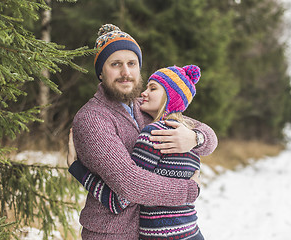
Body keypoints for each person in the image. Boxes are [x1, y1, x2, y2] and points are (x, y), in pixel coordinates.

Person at [70, 23, 218, 239]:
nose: (125, 72)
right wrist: (189, 191)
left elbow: (209, 136)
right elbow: (130, 184)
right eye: (115, 64)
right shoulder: (92, 118)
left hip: (152, 232)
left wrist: (194, 138)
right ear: (101, 72)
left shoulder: (146, 106)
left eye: (132, 63)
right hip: (112, 234)